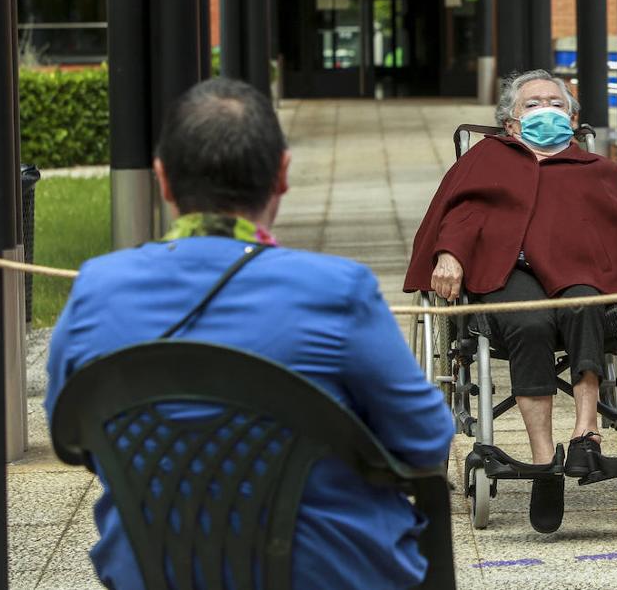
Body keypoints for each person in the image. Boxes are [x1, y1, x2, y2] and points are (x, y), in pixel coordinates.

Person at [45, 79, 453, 590]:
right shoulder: (336, 290)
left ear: (163, 180)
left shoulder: (96, 291)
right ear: (282, 175)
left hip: (155, 572)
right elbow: (426, 437)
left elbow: (73, 438)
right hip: (325, 573)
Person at [404, 69, 617, 534]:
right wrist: (448, 254)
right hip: (508, 271)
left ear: (572, 116)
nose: (546, 109)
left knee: (585, 302)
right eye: (532, 103)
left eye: (555, 102)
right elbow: (460, 215)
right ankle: (545, 462)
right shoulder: (487, 160)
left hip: (579, 274)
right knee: (529, 322)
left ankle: (586, 433)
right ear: (510, 123)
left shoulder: (597, 170)